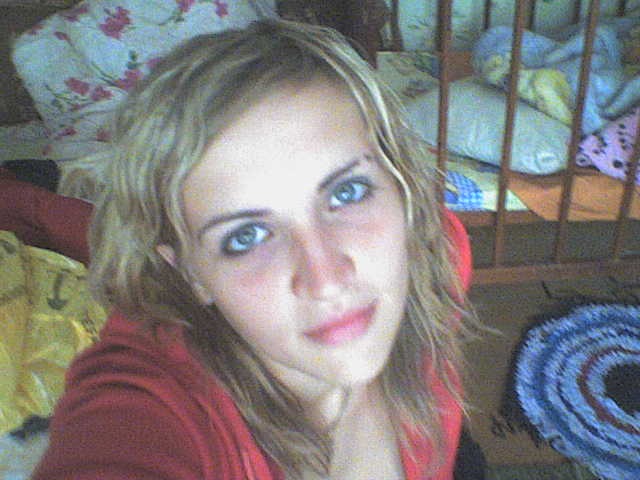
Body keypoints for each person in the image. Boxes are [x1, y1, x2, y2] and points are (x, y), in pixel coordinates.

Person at [32, 19, 476, 480]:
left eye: (348, 192)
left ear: (402, 188)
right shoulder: (154, 405)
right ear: (190, 274)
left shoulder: (437, 255)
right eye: (245, 237)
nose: (326, 280)